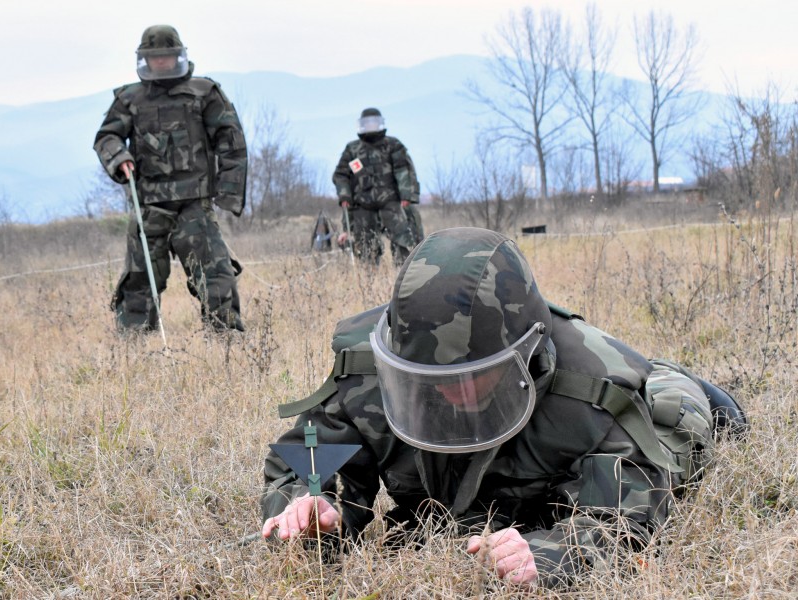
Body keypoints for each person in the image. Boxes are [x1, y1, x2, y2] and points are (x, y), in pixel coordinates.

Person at [260, 227, 746, 588]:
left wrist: (553, 553)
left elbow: (629, 513)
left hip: (633, 412)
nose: (452, 393)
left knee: (674, 425)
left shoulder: (591, 391)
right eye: (431, 380)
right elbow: (306, 460)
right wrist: (307, 505)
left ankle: (681, 382)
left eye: (473, 375)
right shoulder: (369, 369)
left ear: (523, 355)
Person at [94, 25, 248, 333]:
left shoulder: (204, 93)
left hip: (194, 203)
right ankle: (133, 344)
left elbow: (231, 142)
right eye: (155, 57)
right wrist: (119, 158)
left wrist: (228, 193)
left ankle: (226, 338)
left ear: (178, 56)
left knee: (215, 274)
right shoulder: (129, 99)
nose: (161, 61)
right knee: (140, 277)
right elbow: (107, 137)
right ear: (145, 59)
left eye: (166, 55)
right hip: (149, 205)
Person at [332, 108, 420, 266]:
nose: (371, 126)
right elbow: (341, 175)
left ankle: (403, 271)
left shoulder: (393, 145)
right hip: (362, 204)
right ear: (361, 125)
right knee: (365, 246)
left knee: (403, 239)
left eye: (374, 123)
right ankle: (369, 275)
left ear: (380, 123)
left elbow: (404, 170)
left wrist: (407, 196)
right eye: (367, 123)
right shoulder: (352, 149)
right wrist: (344, 196)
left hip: (391, 201)